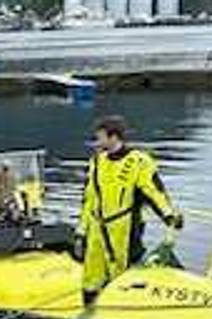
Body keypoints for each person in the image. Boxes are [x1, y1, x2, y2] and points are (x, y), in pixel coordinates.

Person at [77, 115, 183, 306]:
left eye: (100, 137)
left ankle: (121, 308)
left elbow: (153, 191)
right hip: (97, 228)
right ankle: (89, 309)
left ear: (113, 137)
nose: (97, 142)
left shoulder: (138, 162)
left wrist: (169, 215)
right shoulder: (97, 161)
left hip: (123, 228)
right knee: (92, 273)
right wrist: (81, 231)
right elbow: (89, 198)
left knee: (121, 271)